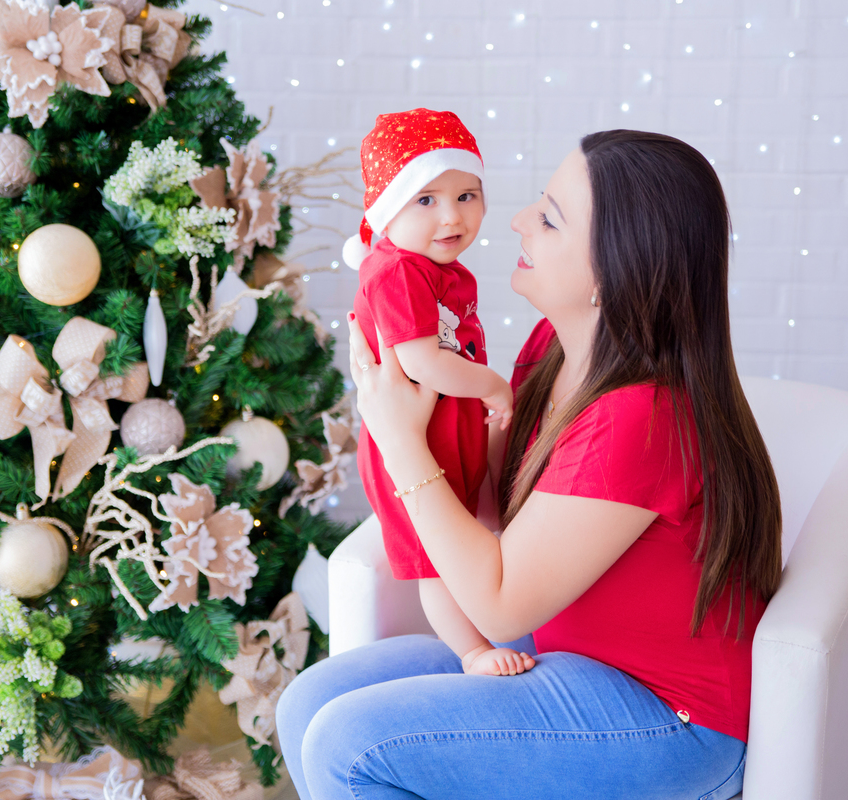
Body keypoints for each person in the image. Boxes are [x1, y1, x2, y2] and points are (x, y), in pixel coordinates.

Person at [276, 130, 783, 799]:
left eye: (548, 218)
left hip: (671, 718)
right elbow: (498, 516)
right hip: (564, 657)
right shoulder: (551, 352)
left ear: (612, 274)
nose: (515, 220)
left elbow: (499, 599)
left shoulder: (642, 417)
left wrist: (399, 442)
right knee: (309, 704)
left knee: (353, 743)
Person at [344, 108, 528, 678]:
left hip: (443, 431)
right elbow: (424, 361)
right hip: (416, 440)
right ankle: (472, 651)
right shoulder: (396, 271)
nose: (452, 216)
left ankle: (507, 615)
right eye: (425, 199)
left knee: (467, 532)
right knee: (435, 561)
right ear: (386, 208)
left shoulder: (434, 268)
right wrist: (494, 386)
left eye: (467, 195)